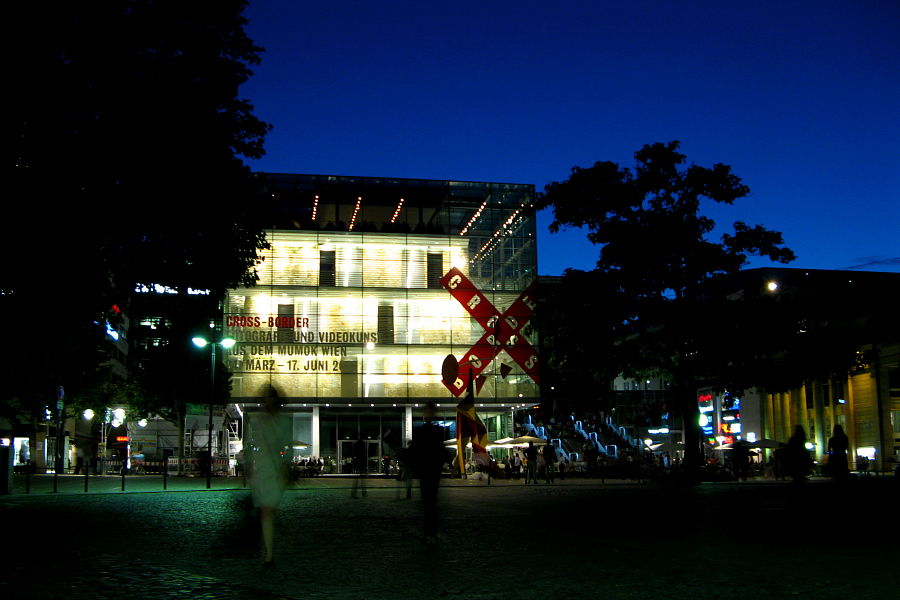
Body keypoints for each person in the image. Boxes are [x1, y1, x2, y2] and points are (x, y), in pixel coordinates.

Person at [250, 386, 292, 565]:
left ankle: (269, 551)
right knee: (265, 511)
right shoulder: (257, 420)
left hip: (275, 470)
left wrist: (285, 463)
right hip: (262, 469)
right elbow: (252, 443)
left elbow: (286, 446)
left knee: (268, 509)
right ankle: (268, 549)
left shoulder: (283, 421)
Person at [411, 402, 445, 543]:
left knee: (431, 503)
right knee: (428, 503)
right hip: (426, 471)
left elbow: (440, 450)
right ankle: (429, 531)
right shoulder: (421, 431)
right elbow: (416, 451)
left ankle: (431, 532)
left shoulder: (436, 431)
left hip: (431, 471)